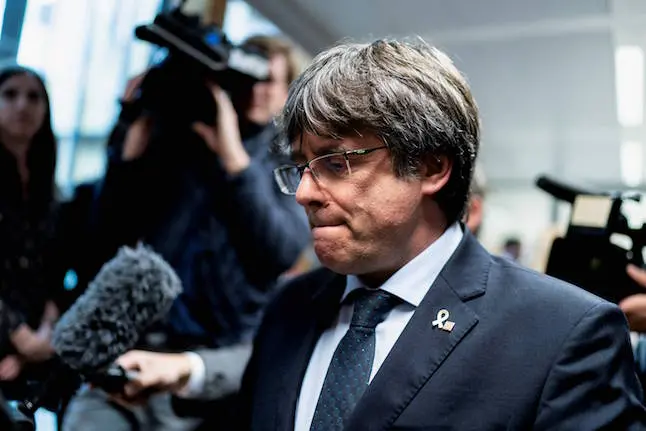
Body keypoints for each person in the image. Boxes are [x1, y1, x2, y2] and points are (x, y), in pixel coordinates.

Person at [229, 38, 646, 430]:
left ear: (429, 167)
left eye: (336, 163)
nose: (304, 193)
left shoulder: (562, 333)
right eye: (301, 167)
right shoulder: (288, 307)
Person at [62, 35, 309, 431]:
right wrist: (132, 136)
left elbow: (281, 250)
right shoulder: (182, 142)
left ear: (287, 93)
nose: (256, 91)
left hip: (207, 369)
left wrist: (233, 159)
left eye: (268, 80)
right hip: (134, 346)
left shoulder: (289, 163)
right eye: (247, 79)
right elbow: (106, 230)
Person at [0, 65, 69, 401]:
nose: (22, 105)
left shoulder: (52, 192)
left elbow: (56, 272)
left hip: (38, 346)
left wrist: (43, 335)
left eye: (33, 97)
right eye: (10, 95)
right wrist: (18, 336)